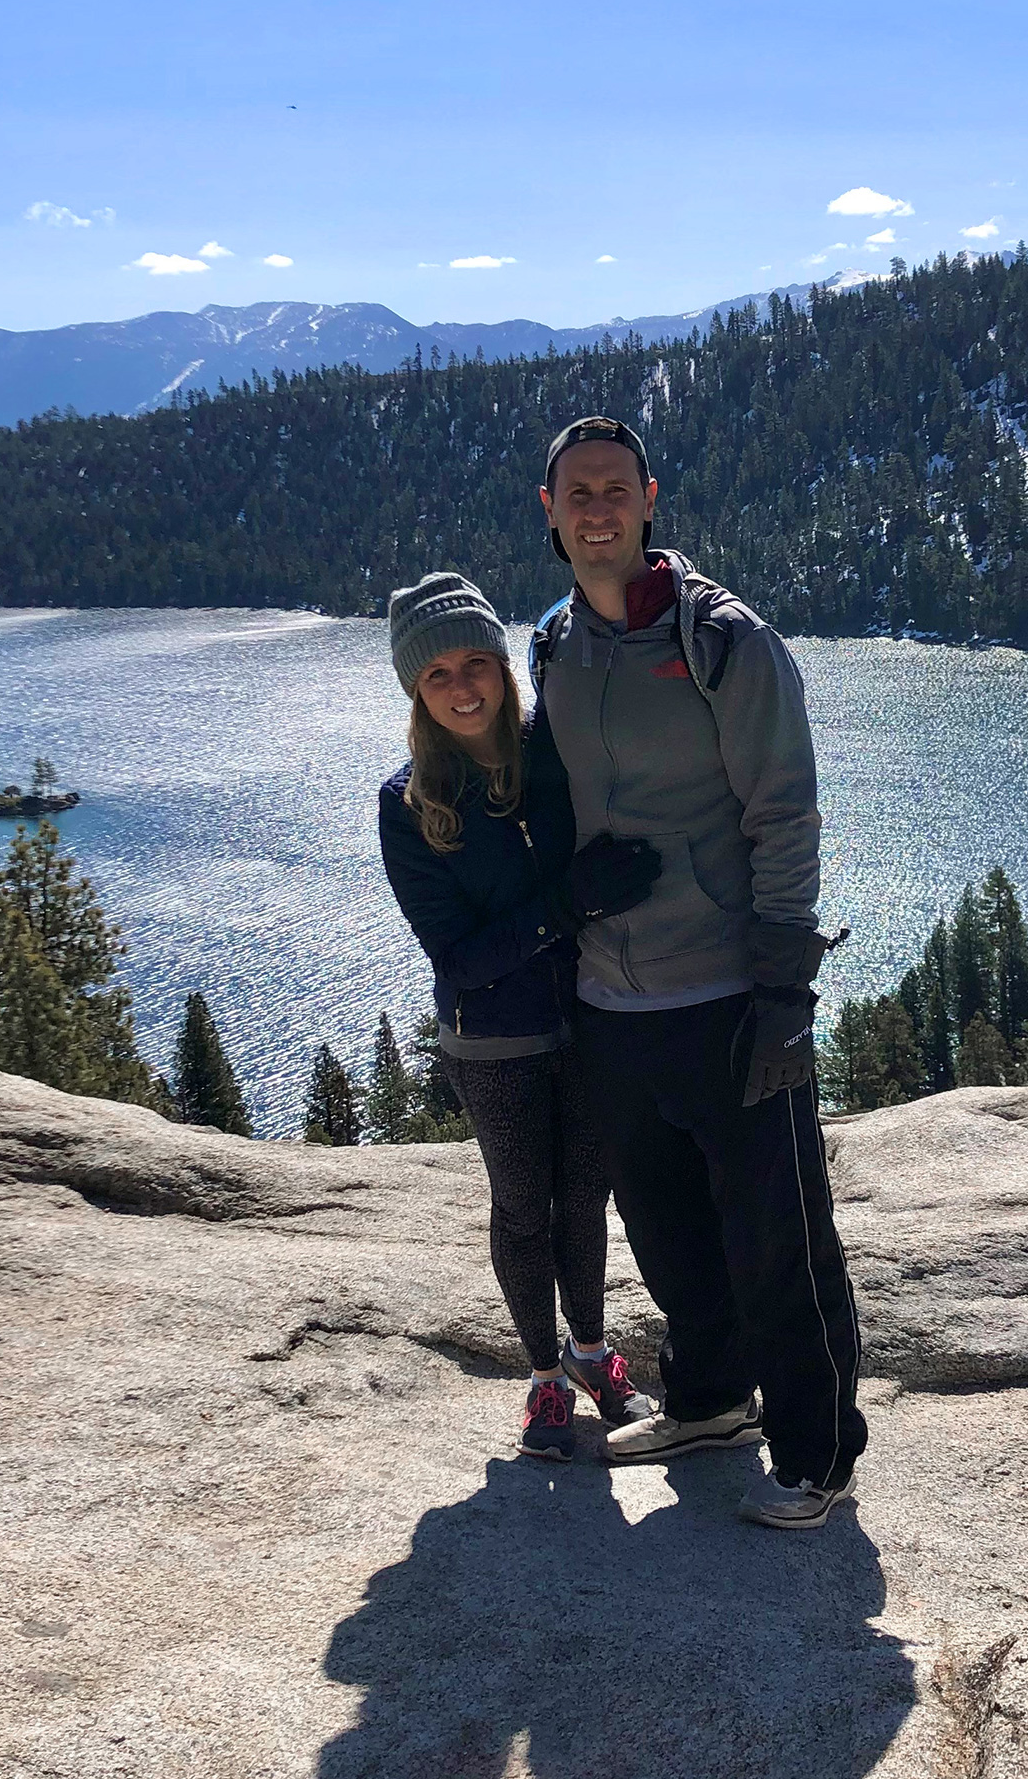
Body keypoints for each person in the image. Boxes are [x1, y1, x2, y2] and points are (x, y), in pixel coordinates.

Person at [529, 416, 868, 1530]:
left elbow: (786, 814)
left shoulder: (725, 640)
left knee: (779, 1233)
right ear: (551, 510)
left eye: (615, 488)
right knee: (667, 1227)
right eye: (577, 491)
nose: (597, 508)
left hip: (726, 993)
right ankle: (714, 1400)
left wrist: (784, 993)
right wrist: (562, 901)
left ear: (649, 500)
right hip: (612, 1000)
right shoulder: (553, 645)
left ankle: (818, 1456)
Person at [377, 571, 661, 1461]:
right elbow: (457, 958)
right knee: (522, 1211)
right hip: (492, 1039)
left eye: (476, 664)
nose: (463, 687)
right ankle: (542, 1377)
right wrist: (564, 907)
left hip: (588, 1017)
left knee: (586, 1199)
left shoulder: (553, 751)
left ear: (503, 666)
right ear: (416, 692)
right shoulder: (408, 805)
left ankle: (589, 1352)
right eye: (437, 676)